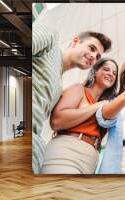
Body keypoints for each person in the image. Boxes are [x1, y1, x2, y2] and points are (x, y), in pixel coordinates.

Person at [32, 22, 112, 173]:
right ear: (75, 42)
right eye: (91, 48)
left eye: (98, 56)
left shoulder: (58, 86)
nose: (93, 56)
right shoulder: (51, 40)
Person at [40, 58, 119, 174]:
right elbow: (56, 121)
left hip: (91, 159)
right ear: (95, 71)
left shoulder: (108, 106)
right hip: (67, 151)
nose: (110, 74)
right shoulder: (79, 89)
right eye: (106, 69)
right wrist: (95, 106)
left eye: (114, 73)